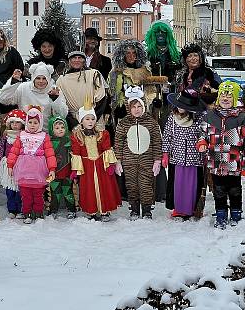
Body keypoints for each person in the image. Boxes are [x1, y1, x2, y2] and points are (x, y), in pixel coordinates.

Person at [198, 81, 245, 229]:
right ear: (218, 97)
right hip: (216, 161)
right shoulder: (209, 116)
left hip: (234, 162)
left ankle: (236, 212)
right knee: (219, 189)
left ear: (235, 98)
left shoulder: (243, 118)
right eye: (223, 95)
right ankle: (221, 213)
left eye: (229, 96)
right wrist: (202, 143)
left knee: (234, 189)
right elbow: (202, 134)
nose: (225, 98)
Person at [114, 87, 162, 219]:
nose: (137, 109)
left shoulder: (151, 123)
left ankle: (146, 209)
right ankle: (134, 209)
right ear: (128, 108)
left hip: (146, 160)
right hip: (129, 161)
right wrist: (118, 160)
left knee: (146, 185)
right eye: (133, 107)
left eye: (139, 106)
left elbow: (157, 142)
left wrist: (157, 159)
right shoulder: (123, 124)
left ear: (143, 106)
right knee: (131, 186)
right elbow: (118, 142)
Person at [70, 102, 122, 221]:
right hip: (86, 167)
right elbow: (76, 153)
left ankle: (104, 211)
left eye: (92, 119)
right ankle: (91, 211)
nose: (90, 121)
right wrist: (75, 170)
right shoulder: (77, 136)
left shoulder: (102, 134)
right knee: (88, 189)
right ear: (81, 120)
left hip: (100, 165)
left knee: (105, 187)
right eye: (87, 119)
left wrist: (110, 164)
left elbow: (107, 148)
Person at [161, 89, 207, 220]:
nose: (180, 108)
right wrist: (165, 153)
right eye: (179, 104)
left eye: (184, 106)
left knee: (191, 185)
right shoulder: (172, 117)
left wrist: (202, 142)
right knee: (178, 184)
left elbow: (203, 134)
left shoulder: (199, 118)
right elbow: (167, 136)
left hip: (194, 158)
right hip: (177, 157)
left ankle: (191, 208)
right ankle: (178, 209)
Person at [6, 107, 56, 224]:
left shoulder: (44, 136)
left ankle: (38, 213)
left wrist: (52, 169)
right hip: (24, 171)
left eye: (35, 122)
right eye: (30, 122)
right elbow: (14, 151)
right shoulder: (21, 135)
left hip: (39, 171)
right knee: (26, 195)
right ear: (26, 122)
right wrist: (10, 165)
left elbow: (50, 154)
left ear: (40, 123)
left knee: (38, 195)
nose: (32, 125)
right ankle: (27, 213)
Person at [0, 63, 69, 130]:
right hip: (25, 132)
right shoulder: (24, 87)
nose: (41, 81)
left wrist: (55, 99)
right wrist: (13, 83)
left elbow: (62, 115)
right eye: (38, 78)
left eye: (44, 78)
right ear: (33, 78)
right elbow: (4, 100)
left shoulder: (54, 90)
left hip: (46, 133)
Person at [109, 39, 160, 125]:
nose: (131, 56)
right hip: (123, 112)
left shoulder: (145, 72)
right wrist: (117, 106)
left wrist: (151, 103)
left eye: (134, 53)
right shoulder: (115, 73)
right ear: (122, 55)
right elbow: (112, 93)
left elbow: (150, 91)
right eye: (128, 53)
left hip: (142, 112)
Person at [56, 51, 108, 131]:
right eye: (74, 58)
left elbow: (101, 98)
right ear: (69, 61)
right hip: (74, 120)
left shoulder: (94, 74)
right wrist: (73, 123)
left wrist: (91, 118)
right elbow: (61, 104)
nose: (77, 60)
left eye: (79, 58)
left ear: (84, 60)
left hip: (94, 118)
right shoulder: (61, 80)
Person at [0, 109, 25, 219]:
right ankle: (12, 209)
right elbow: (0, 150)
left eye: (17, 122)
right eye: (12, 122)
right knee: (10, 189)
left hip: (20, 165)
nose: (15, 125)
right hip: (7, 164)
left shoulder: (25, 136)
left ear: (22, 124)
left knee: (19, 189)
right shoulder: (6, 136)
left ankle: (20, 209)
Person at [47, 115, 77, 219]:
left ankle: (72, 209)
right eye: (57, 128)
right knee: (55, 192)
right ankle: (53, 210)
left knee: (68, 191)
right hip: (54, 173)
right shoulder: (49, 142)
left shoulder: (69, 140)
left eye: (62, 127)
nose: (60, 130)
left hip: (68, 172)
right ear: (51, 129)